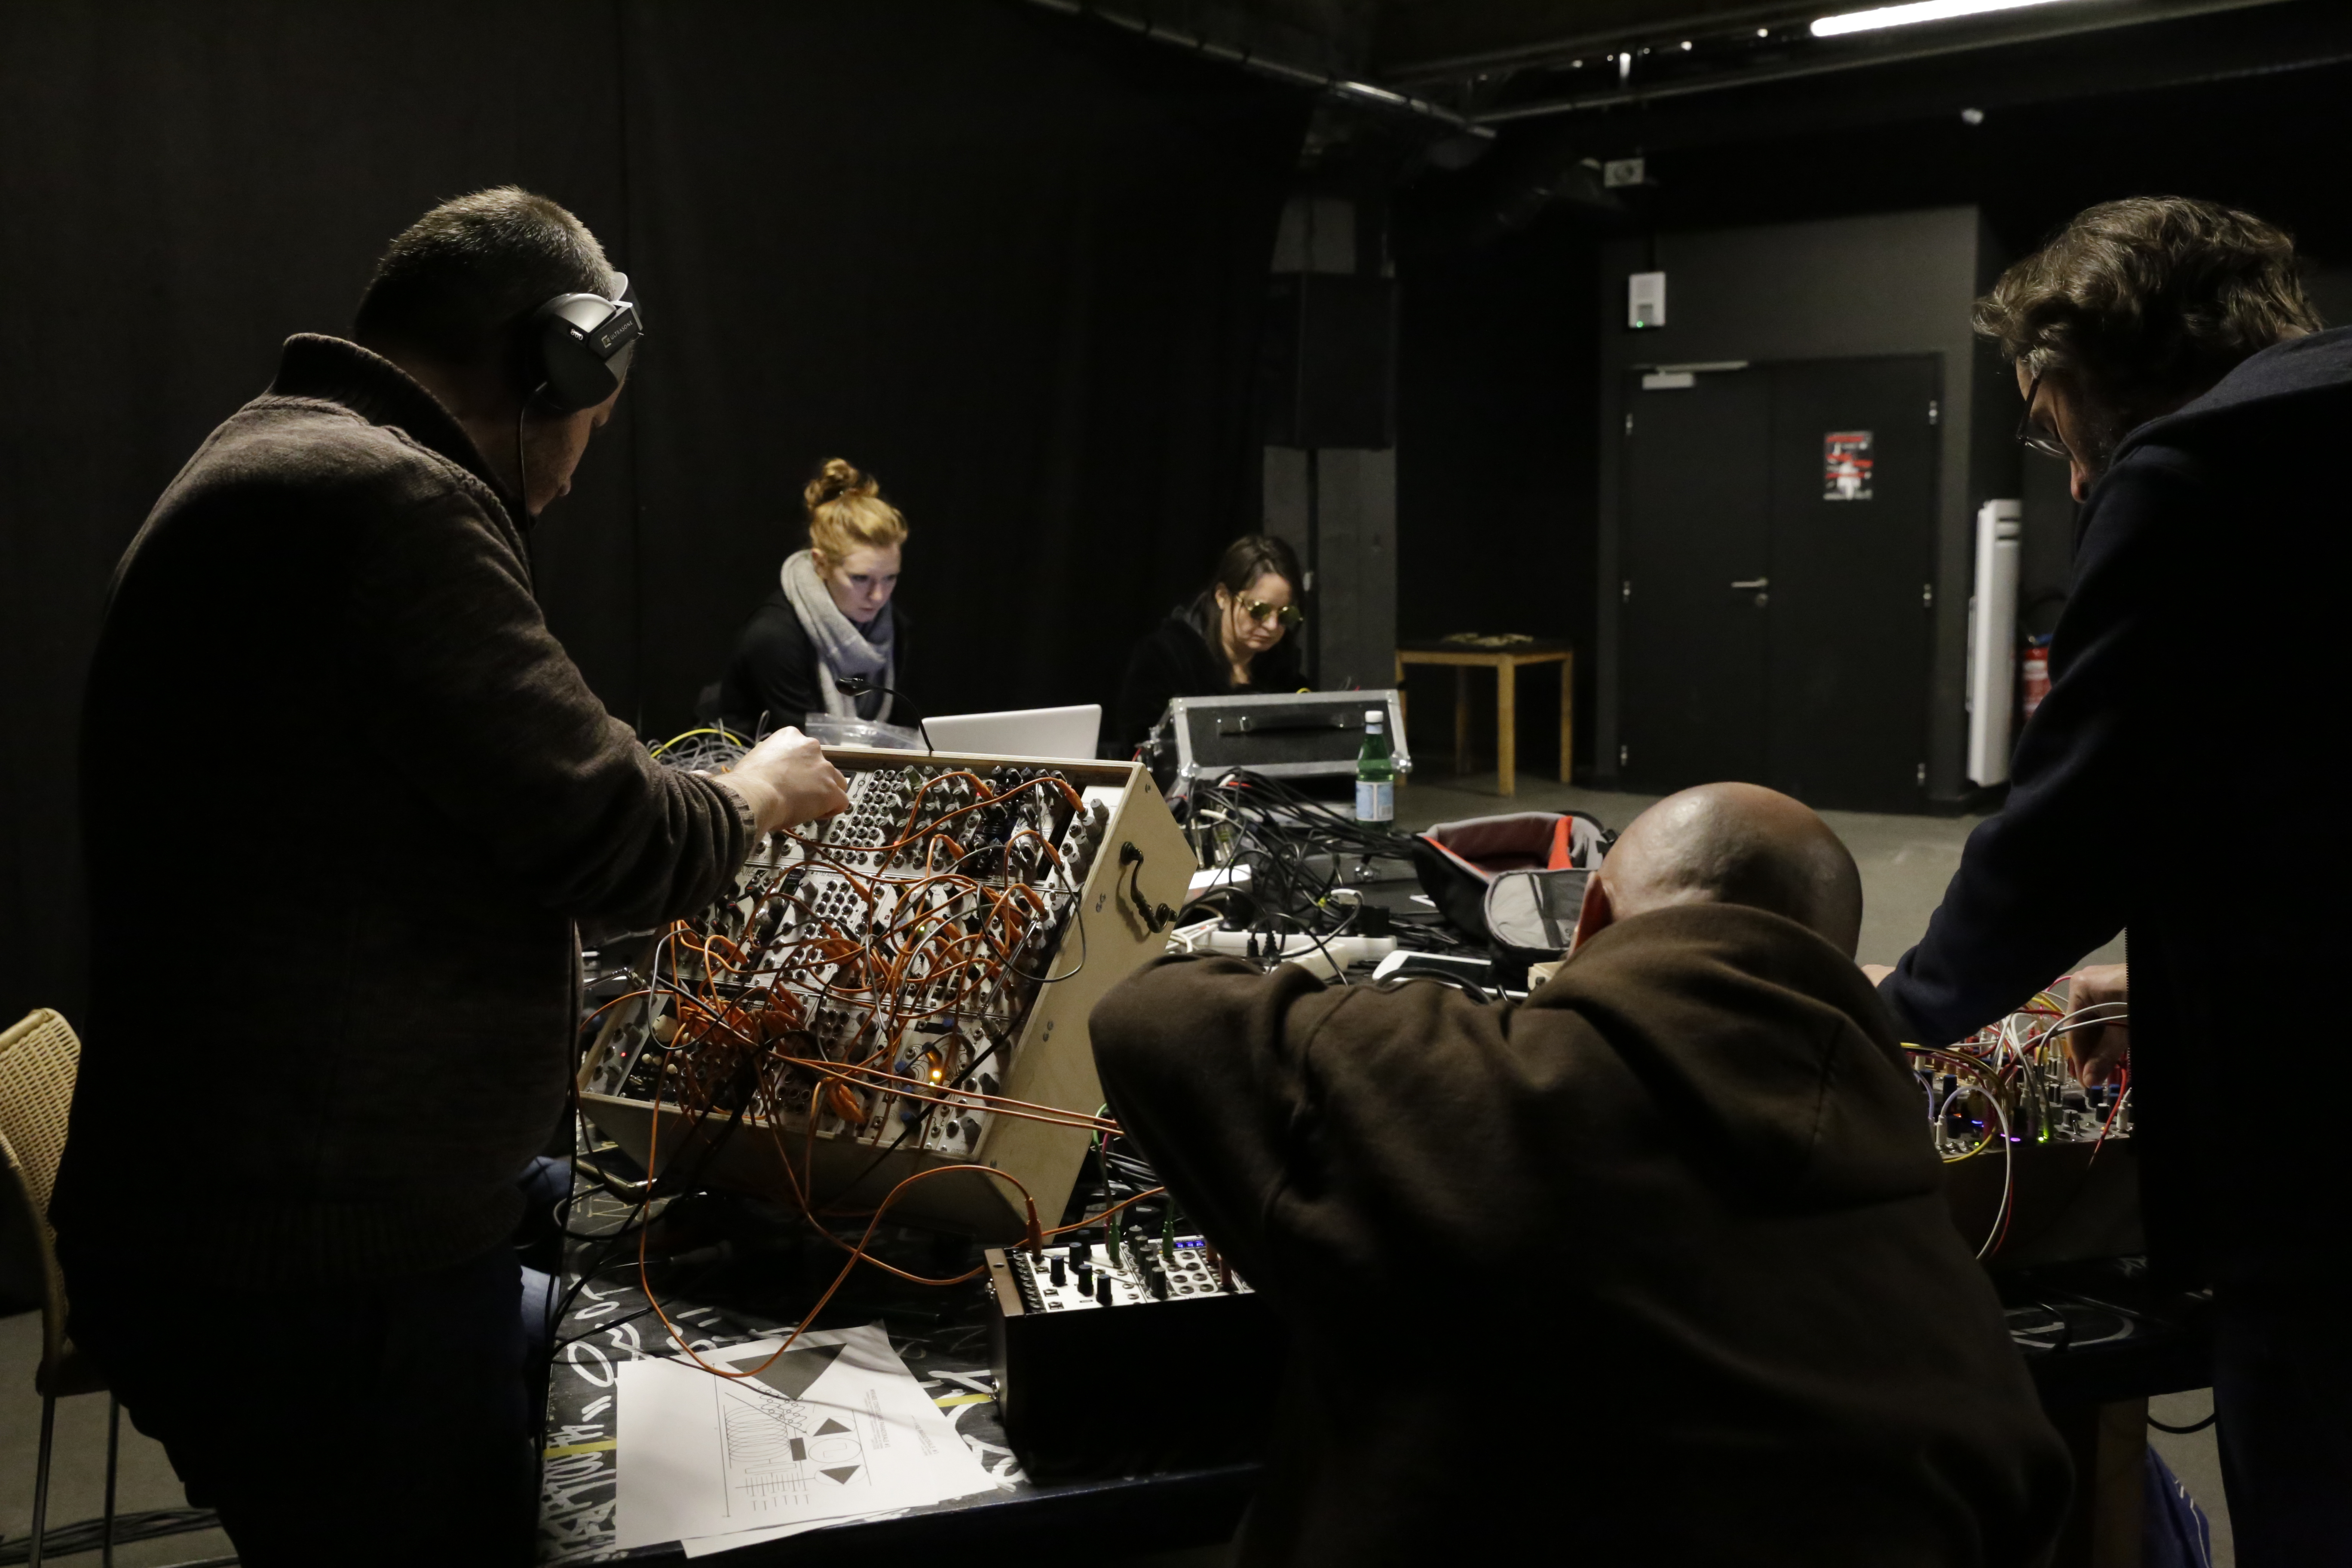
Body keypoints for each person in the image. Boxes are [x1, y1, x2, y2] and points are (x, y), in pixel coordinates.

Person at [53, 188, 849, 1567]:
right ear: (558, 364)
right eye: (597, 414)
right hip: (326, 1277)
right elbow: (622, 842)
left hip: (251, 1241)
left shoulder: (273, 459)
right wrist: (760, 790)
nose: (586, 460)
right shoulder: (389, 503)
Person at [1093, 783, 2072, 1566]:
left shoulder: (1462, 1086)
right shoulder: (1958, 1330)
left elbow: (1147, 1019)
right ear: (1837, 962)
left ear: (1587, 917)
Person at [1867, 196, 2349, 1564]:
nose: (2073, 477)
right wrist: (2180, 973)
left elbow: (2078, 823)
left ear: (2097, 363)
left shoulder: (2201, 469)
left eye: (2049, 420)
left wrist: (1881, 1015)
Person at [712, 457, 909, 736]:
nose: (878, 596)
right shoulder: (775, 636)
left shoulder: (892, 628)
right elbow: (801, 746)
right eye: (860, 578)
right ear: (821, 564)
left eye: (890, 578)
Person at [1110, 533, 1305, 754]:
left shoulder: (1284, 667)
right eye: (1259, 610)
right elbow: (1140, 751)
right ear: (1222, 596)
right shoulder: (1166, 657)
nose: (1272, 625)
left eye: (1285, 614)